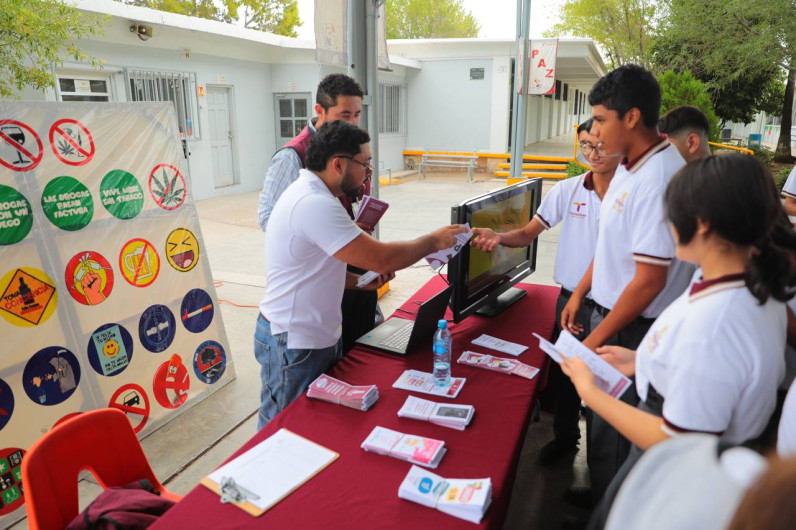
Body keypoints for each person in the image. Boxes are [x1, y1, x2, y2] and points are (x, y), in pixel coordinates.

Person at [562, 153, 794, 528]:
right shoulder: (750, 282)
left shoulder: (714, 326)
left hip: (684, 479)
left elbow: (677, 442)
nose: (667, 225)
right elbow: (716, 370)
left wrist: (591, 394)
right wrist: (641, 360)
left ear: (701, 222)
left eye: (671, 214)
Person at [255, 121, 465, 428]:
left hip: (315, 335)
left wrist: (357, 283)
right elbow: (382, 258)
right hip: (294, 341)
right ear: (338, 164)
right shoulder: (313, 203)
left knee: (312, 427)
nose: (369, 174)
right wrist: (434, 240)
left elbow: (314, 269)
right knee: (283, 429)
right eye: (365, 165)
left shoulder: (319, 196)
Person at [560, 64, 694, 504]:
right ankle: (598, 494)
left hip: (633, 325)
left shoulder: (657, 178)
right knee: (601, 429)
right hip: (611, 315)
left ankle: (607, 508)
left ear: (631, 117)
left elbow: (649, 280)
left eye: (600, 120)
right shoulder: (631, 165)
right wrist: (580, 294)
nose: (593, 132)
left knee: (616, 433)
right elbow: (612, 243)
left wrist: (591, 341)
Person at [470, 119, 622, 465]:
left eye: (598, 144)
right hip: (571, 303)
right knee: (567, 376)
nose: (592, 153)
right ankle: (567, 440)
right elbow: (526, 234)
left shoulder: (630, 194)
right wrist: (498, 237)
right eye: (585, 145)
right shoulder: (567, 191)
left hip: (613, 305)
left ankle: (603, 468)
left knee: (603, 384)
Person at [257, 73, 378, 354]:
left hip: (346, 280)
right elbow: (268, 218)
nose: (352, 123)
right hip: (310, 298)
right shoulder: (292, 157)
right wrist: (328, 229)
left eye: (357, 115)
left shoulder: (355, 150)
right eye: (344, 114)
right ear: (320, 111)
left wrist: (351, 227)